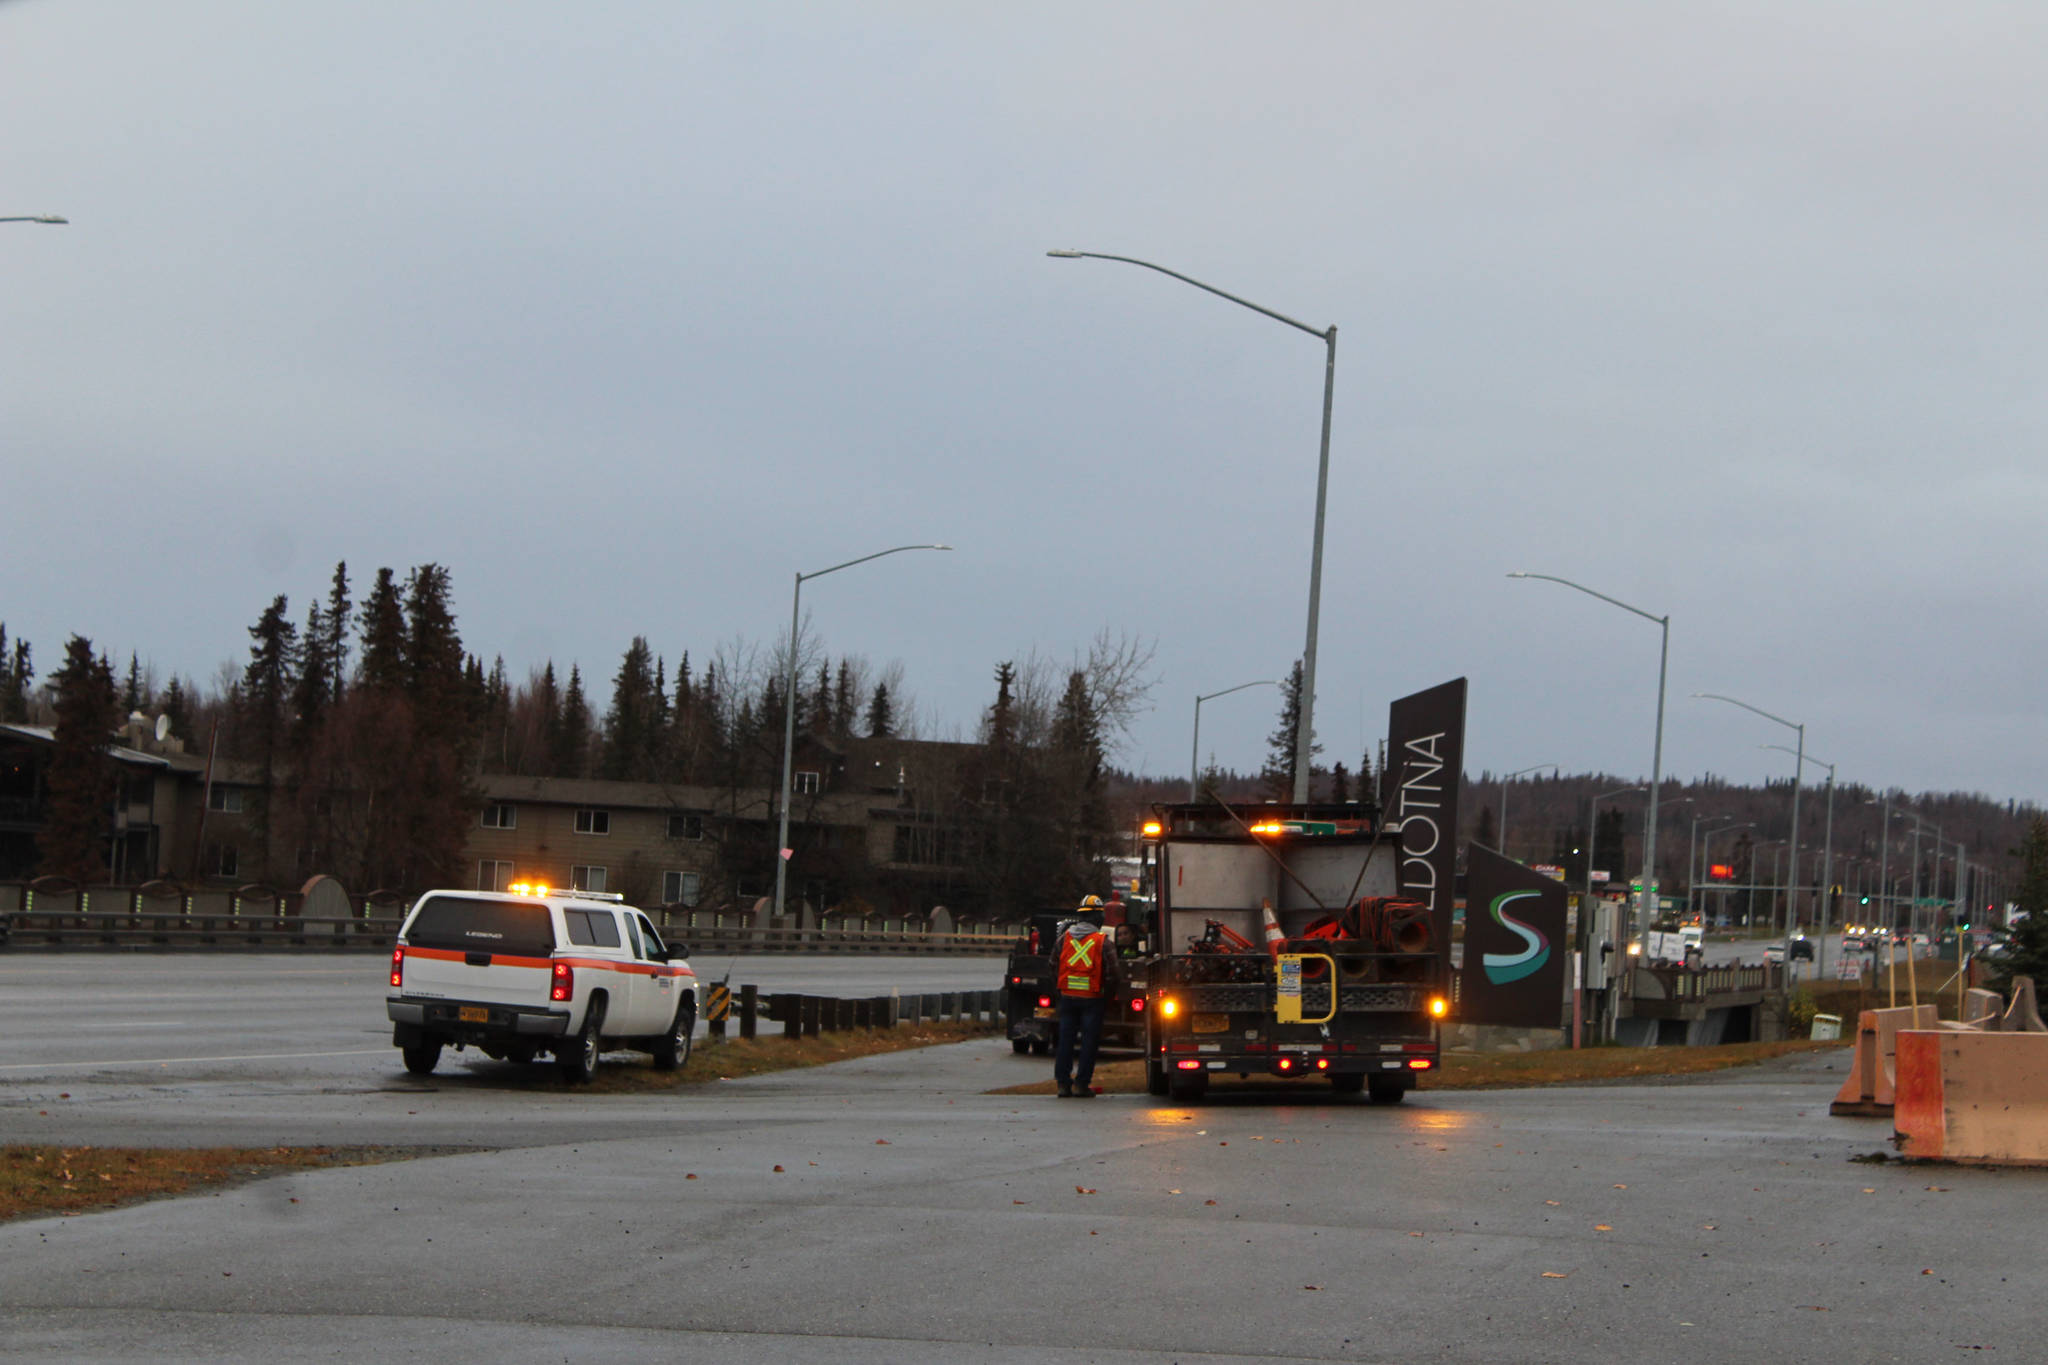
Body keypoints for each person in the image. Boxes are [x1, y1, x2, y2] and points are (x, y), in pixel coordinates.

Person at [1053, 895, 1125, 1098]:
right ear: (1097, 918)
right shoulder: (1103, 942)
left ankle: (1062, 1084)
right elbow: (1114, 974)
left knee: (1065, 1041)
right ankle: (1081, 1084)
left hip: (1067, 997)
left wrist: (1059, 990)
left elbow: (1053, 966)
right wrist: (1108, 997)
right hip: (1092, 1000)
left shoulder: (1063, 939)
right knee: (1089, 1043)